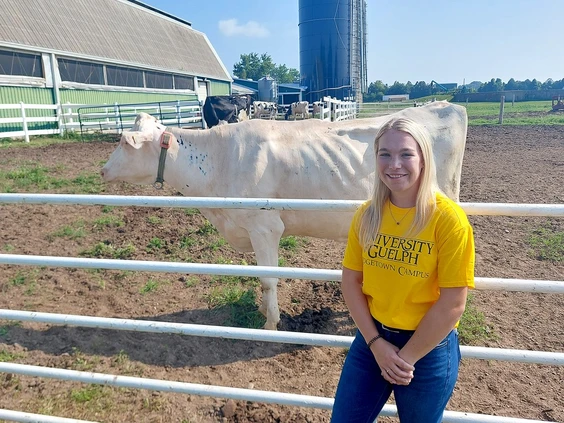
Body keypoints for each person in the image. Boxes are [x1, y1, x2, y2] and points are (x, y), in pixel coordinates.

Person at [331, 117, 475, 423]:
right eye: (385, 153)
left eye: (406, 154)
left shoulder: (447, 220)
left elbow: (453, 303)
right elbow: (351, 281)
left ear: (423, 159)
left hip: (428, 349)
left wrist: (404, 358)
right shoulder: (367, 215)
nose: (394, 164)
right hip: (373, 340)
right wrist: (376, 345)